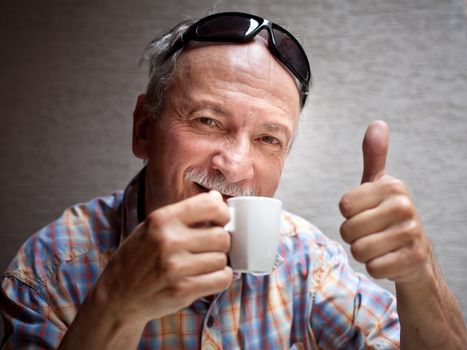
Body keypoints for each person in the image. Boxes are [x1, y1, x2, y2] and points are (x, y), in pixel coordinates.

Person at [1, 11, 466, 349]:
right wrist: (115, 304)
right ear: (144, 128)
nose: (235, 166)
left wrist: (419, 275)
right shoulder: (49, 269)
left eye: (268, 138)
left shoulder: (307, 260)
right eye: (207, 121)